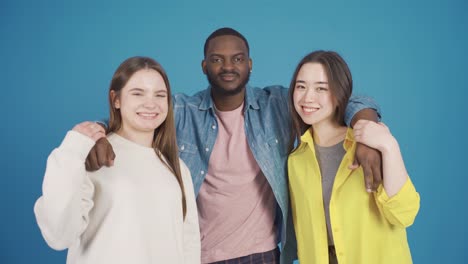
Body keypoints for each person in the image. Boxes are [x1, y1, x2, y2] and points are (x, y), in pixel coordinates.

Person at [86, 28, 381, 264]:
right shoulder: (182, 111)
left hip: (262, 253)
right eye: (217, 59)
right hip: (199, 254)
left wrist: (366, 131)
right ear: (204, 66)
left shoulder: (276, 104)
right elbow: (135, 114)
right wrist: (98, 133)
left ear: (250, 64)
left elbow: (349, 97)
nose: (228, 66)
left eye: (237, 59)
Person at [34, 56, 200, 264]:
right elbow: (59, 235)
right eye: (138, 93)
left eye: (160, 95)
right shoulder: (92, 156)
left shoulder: (177, 167)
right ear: (116, 99)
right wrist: (71, 151)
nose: (151, 104)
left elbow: (189, 243)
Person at [287, 50, 420, 263]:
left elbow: (405, 213)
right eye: (301, 86)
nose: (307, 97)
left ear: (340, 93)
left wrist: (389, 145)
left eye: (321, 88)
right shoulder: (296, 160)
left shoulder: (370, 145)